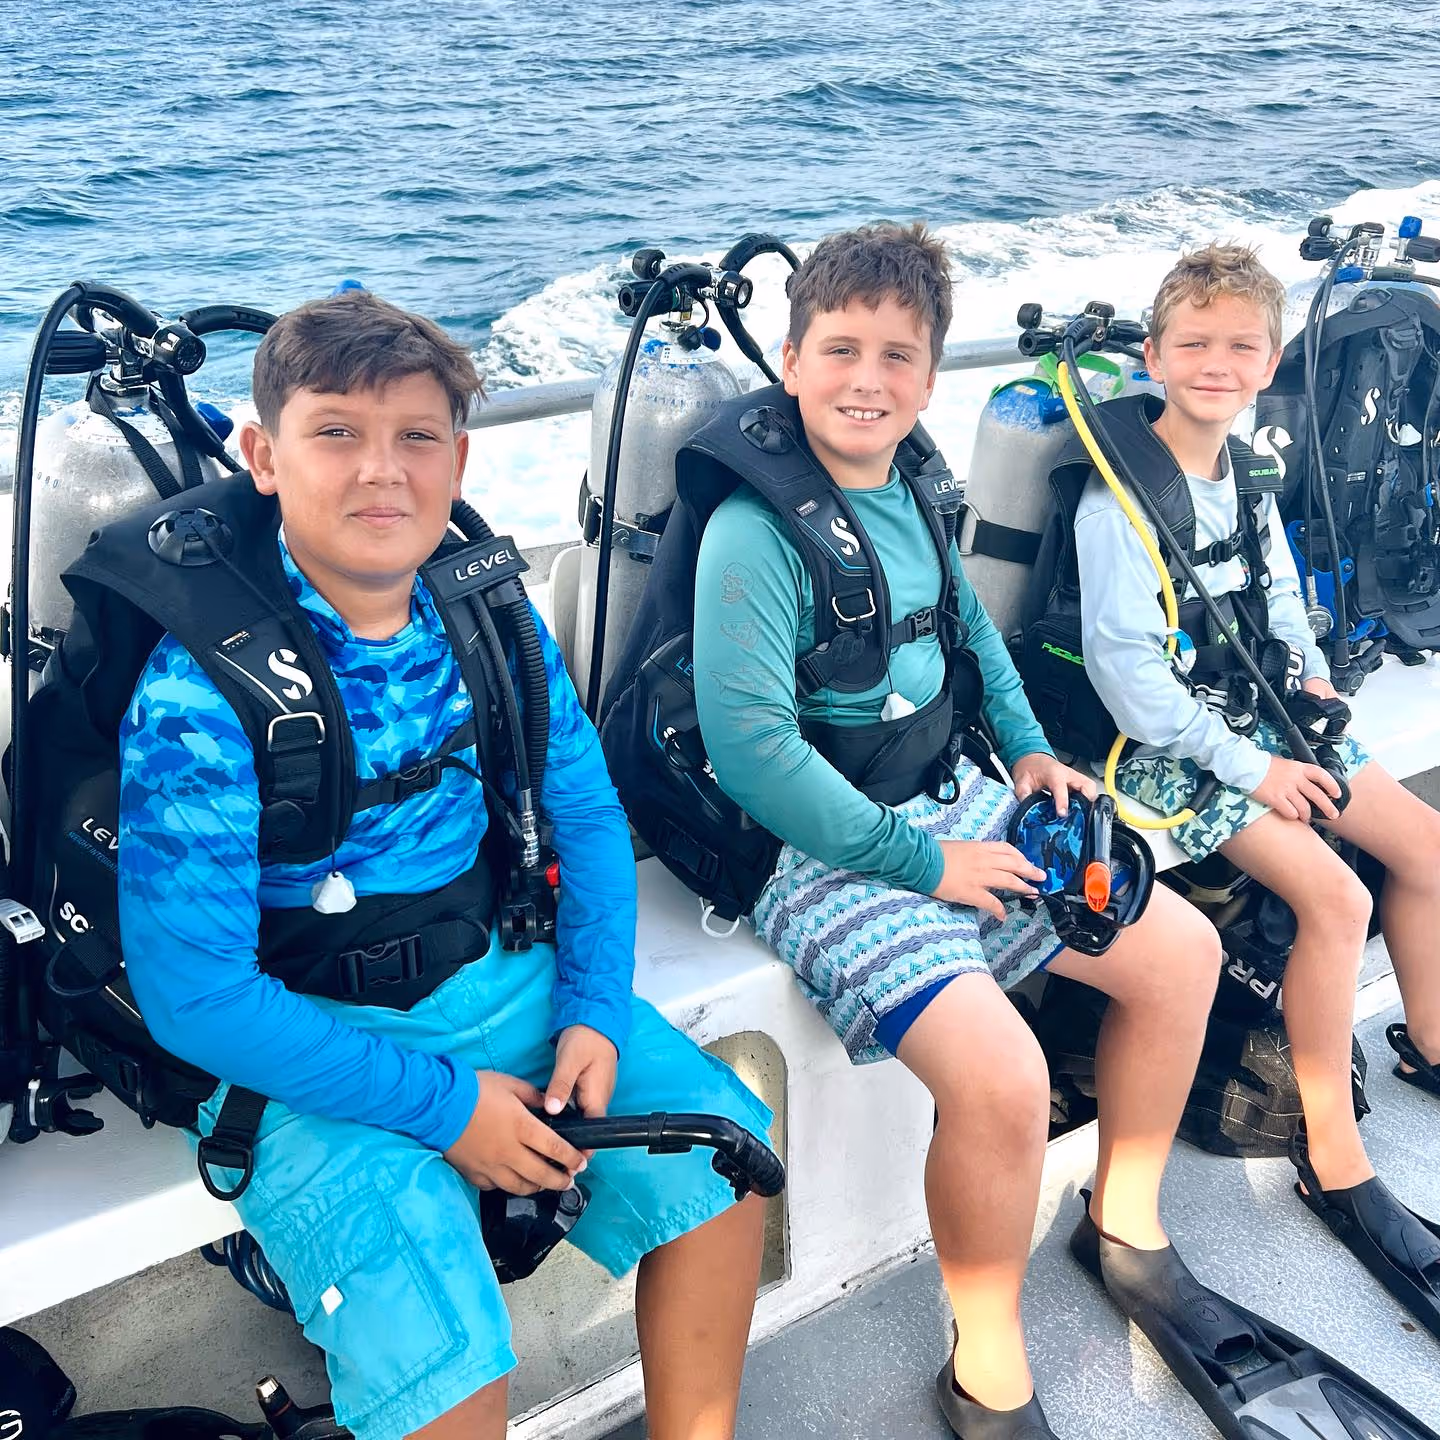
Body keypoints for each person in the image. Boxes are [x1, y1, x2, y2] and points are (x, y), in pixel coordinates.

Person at [116, 290, 771, 1440]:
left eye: (417, 437)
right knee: (451, 1357)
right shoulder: (195, 695)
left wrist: (596, 1016)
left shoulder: (491, 623)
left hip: (498, 982)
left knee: (718, 1184)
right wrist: (446, 1109)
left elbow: (589, 821)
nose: (384, 471)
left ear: (459, 459)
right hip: (293, 1046)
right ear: (263, 454)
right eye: (336, 433)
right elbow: (197, 1000)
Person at [691, 222, 1222, 1439]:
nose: (867, 378)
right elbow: (754, 754)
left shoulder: (916, 490)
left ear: (931, 379)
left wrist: (1032, 751)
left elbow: (971, 641)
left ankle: (1125, 1225)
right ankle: (986, 1361)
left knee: (1181, 952)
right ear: (790, 360)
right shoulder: (754, 534)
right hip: (820, 848)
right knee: (1003, 1077)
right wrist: (928, 864)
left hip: (950, 795)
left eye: (896, 355)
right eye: (840, 349)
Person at [1074, 242, 1440, 1329]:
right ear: (1155, 356)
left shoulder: (1249, 475)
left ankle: (1428, 1043)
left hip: (1270, 716)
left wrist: (1315, 689)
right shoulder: (1119, 506)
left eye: (1241, 346)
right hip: (1177, 756)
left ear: (1271, 359)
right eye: (1194, 344)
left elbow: (1281, 600)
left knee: (1424, 847)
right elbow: (1133, 689)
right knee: (1339, 896)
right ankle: (1333, 1154)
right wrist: (1262, 771)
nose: (1217, 364)